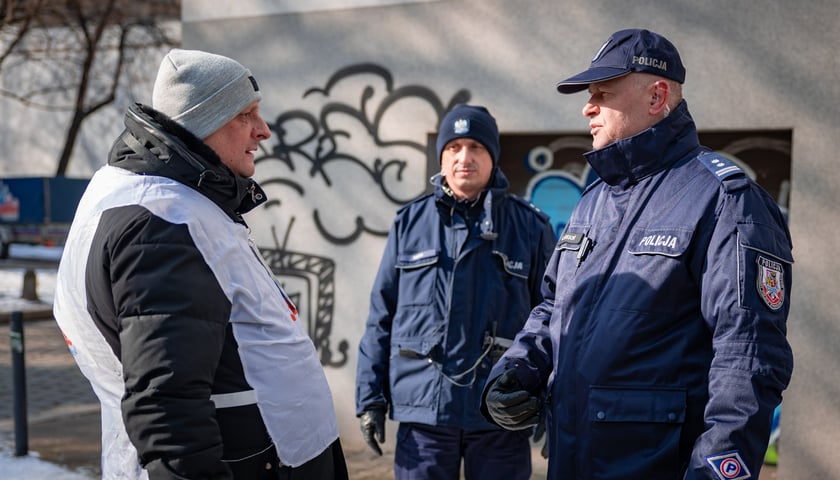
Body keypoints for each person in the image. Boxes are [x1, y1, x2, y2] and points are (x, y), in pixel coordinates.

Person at [481, 29, 794, 480]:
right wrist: (517, 369)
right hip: (571, 458)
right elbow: (554, 305)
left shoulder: (726, 200)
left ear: (657, 95)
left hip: (655, 464)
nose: (588, 107)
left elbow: (748, 357)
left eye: (602, 92)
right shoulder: (594, 200)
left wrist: (718, 471)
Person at [53, 49, 348, 480]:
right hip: (251, 461)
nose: (264, 131)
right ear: (202, 122)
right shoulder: (160, 222)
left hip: (266, 453)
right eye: (246, 115)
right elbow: (166, 400)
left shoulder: (172, 200)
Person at [355, 104, 556, 479]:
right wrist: (370, 398)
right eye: (454, 147)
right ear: (442, 156)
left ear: (493, 157)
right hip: (425, 412)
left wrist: (552, 401)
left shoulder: (529, 227)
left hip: (501, 409)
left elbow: (554, 318)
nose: (465, 157)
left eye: (476, 147)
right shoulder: (409, 223)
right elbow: (381, 316)